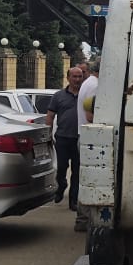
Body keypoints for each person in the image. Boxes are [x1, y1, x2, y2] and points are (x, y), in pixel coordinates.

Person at [46, 66, 84, 211]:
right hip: (62, 138)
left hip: (79, 139)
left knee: (77, 171)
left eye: (80, 76)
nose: (77, 79)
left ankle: (73, 200)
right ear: (68, 78)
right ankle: (61, 186)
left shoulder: (85, 95)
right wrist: (48, 134)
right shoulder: (58, 96)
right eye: (74, 76)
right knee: (61, 167)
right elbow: (50, 116)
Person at [74, 58, 100, 232]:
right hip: (91, 139)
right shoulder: (95, 86)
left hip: (84, 136)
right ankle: (83, 219)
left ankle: (82, 219)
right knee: (90, 181)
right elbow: (91, 116)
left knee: (86, 179)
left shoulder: (88, 83)